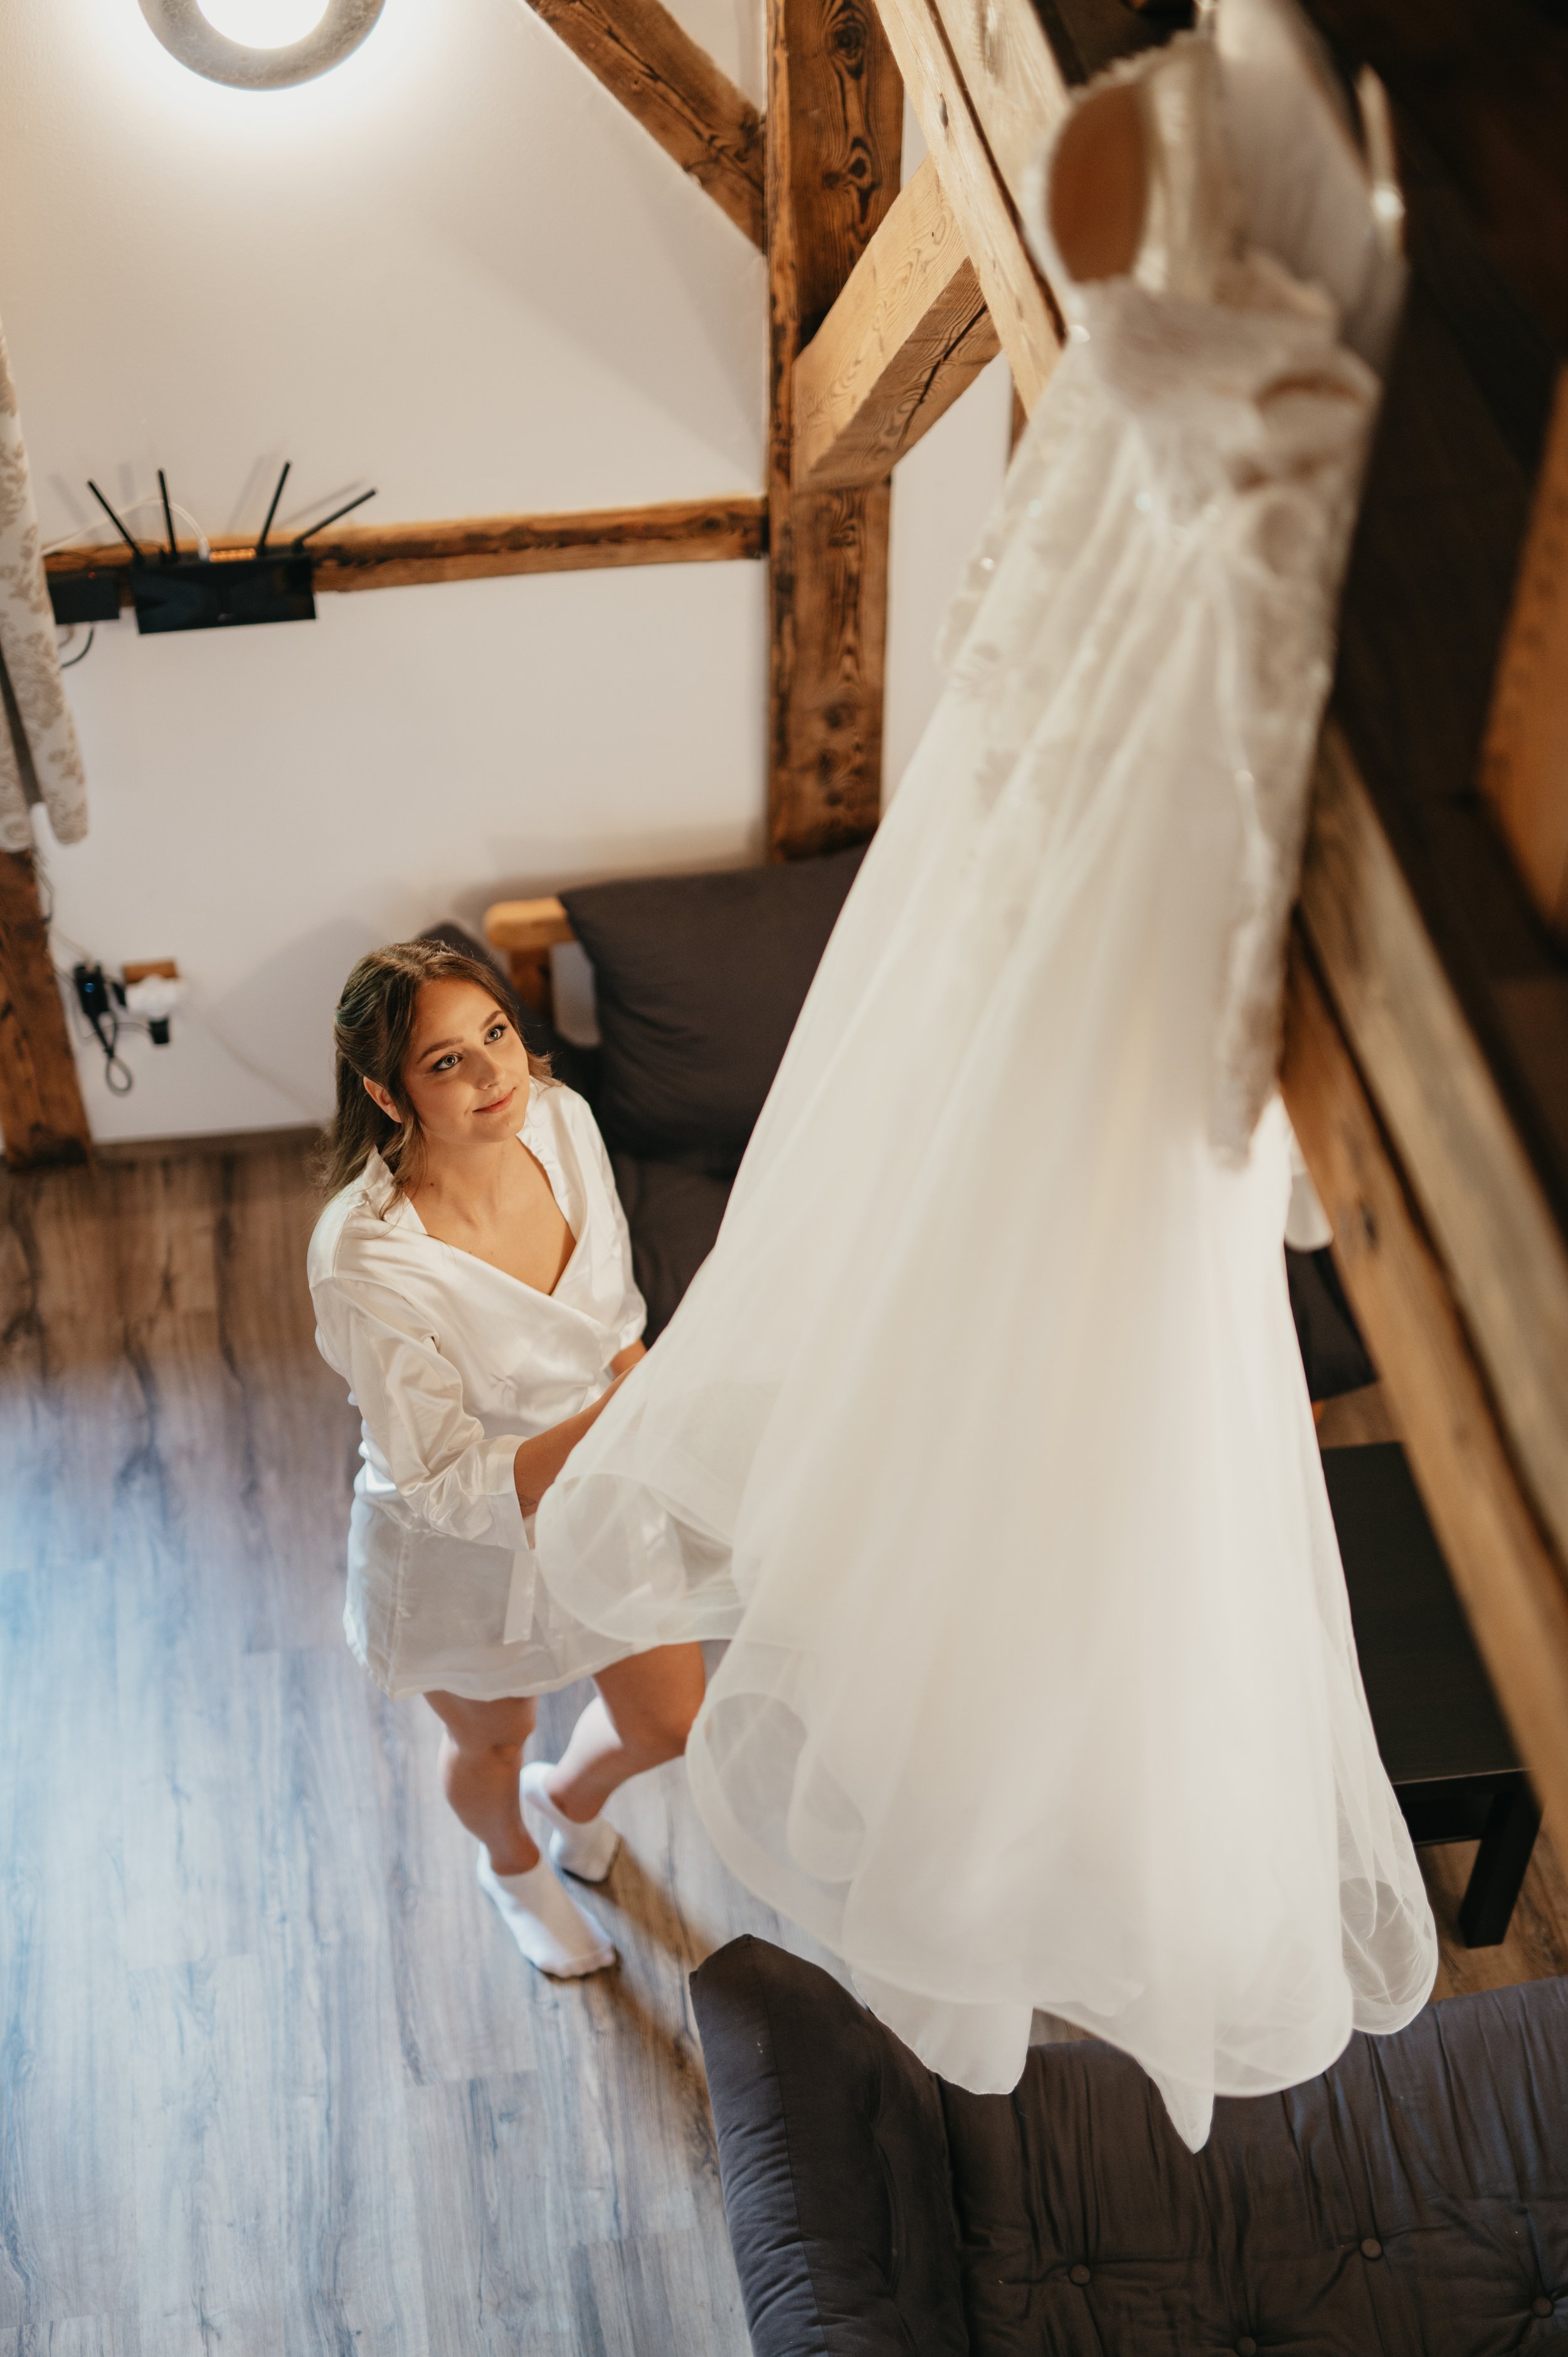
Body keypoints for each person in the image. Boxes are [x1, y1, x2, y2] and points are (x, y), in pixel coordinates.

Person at [308, 939, 704, 1978]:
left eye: (496, 1033)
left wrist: (647, 1411)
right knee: (496, 1736)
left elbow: (614, 1311)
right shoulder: (367, 1259)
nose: (496, 1075)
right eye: (448, 1062)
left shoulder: (562, 1120)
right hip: (464, 1547)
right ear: (388, 1098)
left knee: (671, 1717)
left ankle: (569, 1797)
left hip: (606, 1484)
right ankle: (513, 1863)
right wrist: (628, 1410)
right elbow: (441, 1484)